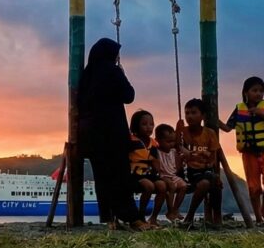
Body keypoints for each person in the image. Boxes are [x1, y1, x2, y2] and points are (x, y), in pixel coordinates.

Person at [78, 38, 146, 231]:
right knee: (120, 175)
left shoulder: (87, 75)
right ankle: (132, 218)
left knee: (102, 177)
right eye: (116, 55)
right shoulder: (113, 72)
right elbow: (129, 96)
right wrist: (123, 74)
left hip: (91, 134)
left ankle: (110, 219)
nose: (117, 58)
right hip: (113, 132)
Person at [219, 76, 264, 225]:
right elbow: (227, 127)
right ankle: (258, 218)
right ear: (246, 92)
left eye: (261, 91)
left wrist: (261, 114)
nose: (258, 93)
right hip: (248, 153)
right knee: (254, 188)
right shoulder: (239, 109)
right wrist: (214, 119)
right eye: (254, 90)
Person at [177, 98, 222, 228]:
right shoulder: (182, 132)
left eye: (193, 112)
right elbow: (177, 146)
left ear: (202, 115)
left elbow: (213, 158)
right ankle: (189, 217)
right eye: (187, 113)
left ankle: (216, 217)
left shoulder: (209, 133)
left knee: (214, 181)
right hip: (189, 172)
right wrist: (177, 129)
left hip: (205, 171)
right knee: (206, 182)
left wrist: (212, 169)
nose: (189, 116)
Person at [129, 110, 167, 226]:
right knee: (149, 186)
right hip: (135, 174)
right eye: (144, 124)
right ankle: (141, 215)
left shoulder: (153, 143)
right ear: (136, 126)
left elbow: (155, 161)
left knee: (162, 186)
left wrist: (159, 171)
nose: (148, 127)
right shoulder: (131, 141)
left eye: (151, 124)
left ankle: (153, 217)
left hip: (149, 173)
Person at [154, 123, 188, 223]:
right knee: (172, 186)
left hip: (172, 175)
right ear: (158, 140)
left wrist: (181, 159)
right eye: (168, 142)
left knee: (184, 186)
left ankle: (175, 209)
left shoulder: (173, 151)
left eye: (173, 141)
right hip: (162, 176)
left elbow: (177, 168)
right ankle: (170, 210)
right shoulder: (156, 152)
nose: (171, 144)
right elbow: (157, 169)